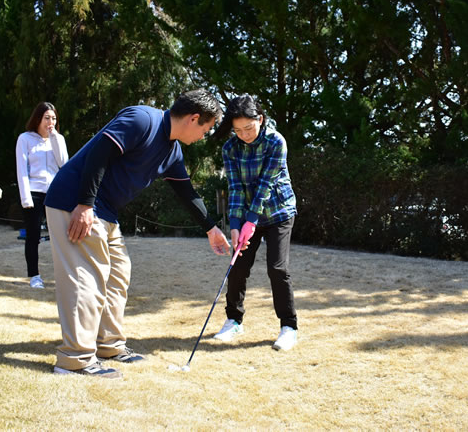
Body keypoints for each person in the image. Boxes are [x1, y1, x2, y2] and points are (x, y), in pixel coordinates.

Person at [44, 89, 231, 378]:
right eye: (206, 129)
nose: (204, 136)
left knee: (119, 272)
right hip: (75, 201)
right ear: (194, 118)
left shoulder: (173, 151)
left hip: (103, 210)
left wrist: (211, 229)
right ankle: (75, 360)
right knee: (86, 279)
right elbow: (98, 155)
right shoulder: (142, 120)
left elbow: (186, 192)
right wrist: (84, 204)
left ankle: (109, 344)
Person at [212, 94, 299, 351]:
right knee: (237, 265)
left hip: (279, 212)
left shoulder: (276, 141)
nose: (244, 134)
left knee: (277, 268)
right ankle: (233, 320)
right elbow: (236, 188)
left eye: (249, 128)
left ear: (260, 119)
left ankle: (289, 327)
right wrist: (236, 225)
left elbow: (266, 184)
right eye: (237, 130)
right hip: (249, 216)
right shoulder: (230, 148)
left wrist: (251, 220)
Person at [16, 102, 68, 289]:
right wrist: (25, 197)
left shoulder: (58, 138)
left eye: (53, 118)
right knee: (33, 235)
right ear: (38, 118)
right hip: (34, 192)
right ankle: (34, 275)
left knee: (61, 236)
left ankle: (64, 275)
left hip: (54, 193)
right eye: (47, 118)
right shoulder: (25, 139)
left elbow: (64, 164)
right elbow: (22, 170)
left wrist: (54, 137)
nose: (50, 122)